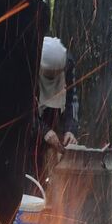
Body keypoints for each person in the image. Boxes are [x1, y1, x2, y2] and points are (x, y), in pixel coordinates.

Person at [33, 36, 78, 183]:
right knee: (33, 166)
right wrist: (43, 130)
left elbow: (72, 99)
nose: (53, 77)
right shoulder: (29, 66)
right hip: (31, 126)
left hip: (56, 117)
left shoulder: (68, 64)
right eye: (49, 74)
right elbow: (22, 112)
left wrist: (70, 129)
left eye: (57, 73)